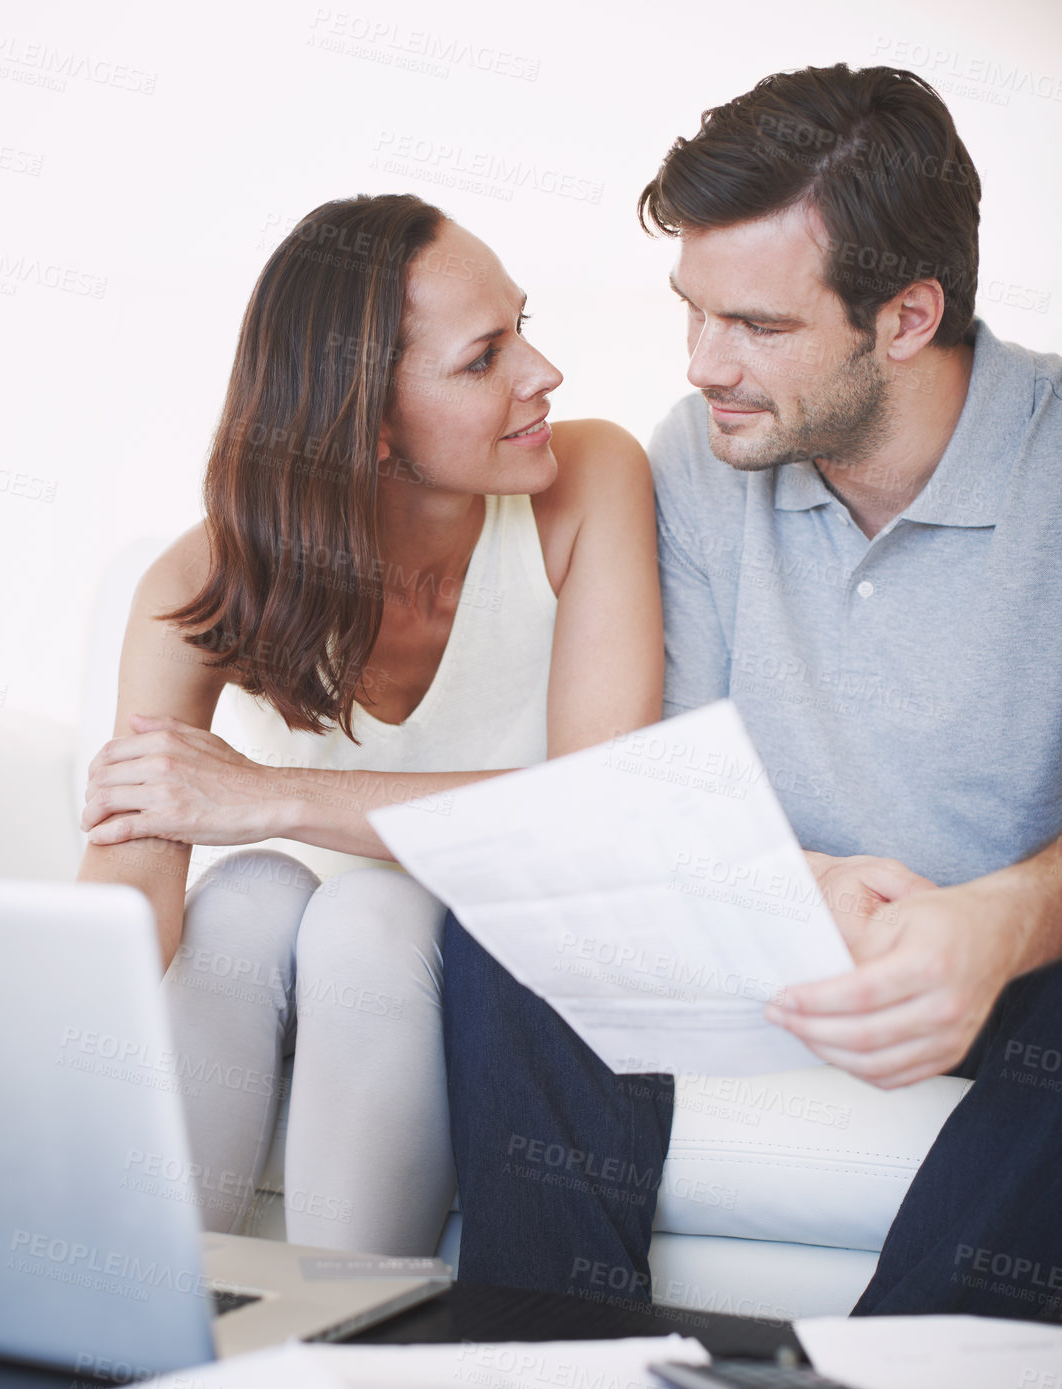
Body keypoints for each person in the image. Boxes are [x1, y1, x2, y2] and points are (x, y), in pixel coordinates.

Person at [443, 64, 1062, 1320]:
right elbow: (659, 788)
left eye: (758, 328)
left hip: (1012, 968)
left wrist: (1005, 919)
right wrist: (813, 880)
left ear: (905, 316)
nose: (701, 365)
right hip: (770, 926)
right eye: (692, 311)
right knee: (514, 907)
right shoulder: (704, 458)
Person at [77, 193, 662, 1252]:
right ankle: (124, 1331)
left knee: (369, 917)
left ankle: (337, 1336)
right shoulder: (199, 582)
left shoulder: (591, 479)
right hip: (285, 966)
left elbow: (600, 810)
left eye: (522, 327)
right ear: (372, 426)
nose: (542, 373)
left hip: (477, 964)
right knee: (247, 894)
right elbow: (129, 889)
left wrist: (273, 795)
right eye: (484, 357)